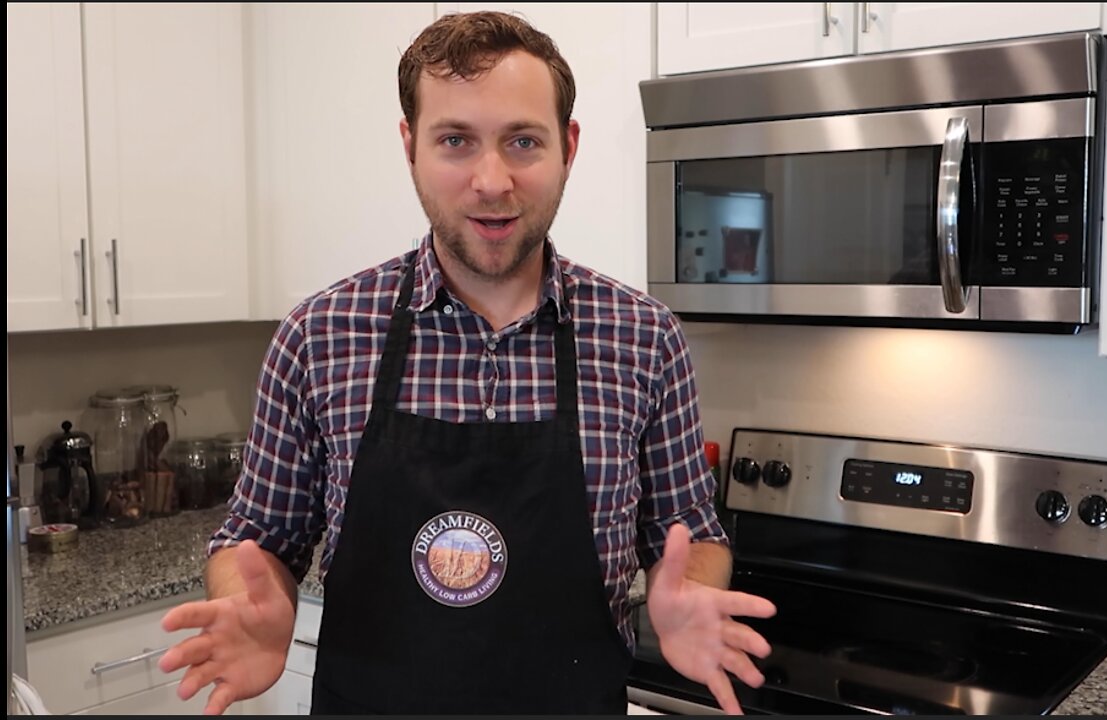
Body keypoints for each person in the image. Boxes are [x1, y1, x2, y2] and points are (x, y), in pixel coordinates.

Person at [157, 10, 776, 716]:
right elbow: (256, 538)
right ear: (410, 146)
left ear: (567, 146)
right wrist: (247, 601)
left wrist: (691, 589)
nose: (491, 180)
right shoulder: (318, 335)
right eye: (456, 140)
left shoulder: (643, 338)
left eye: (522, 141)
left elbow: (692, 532)